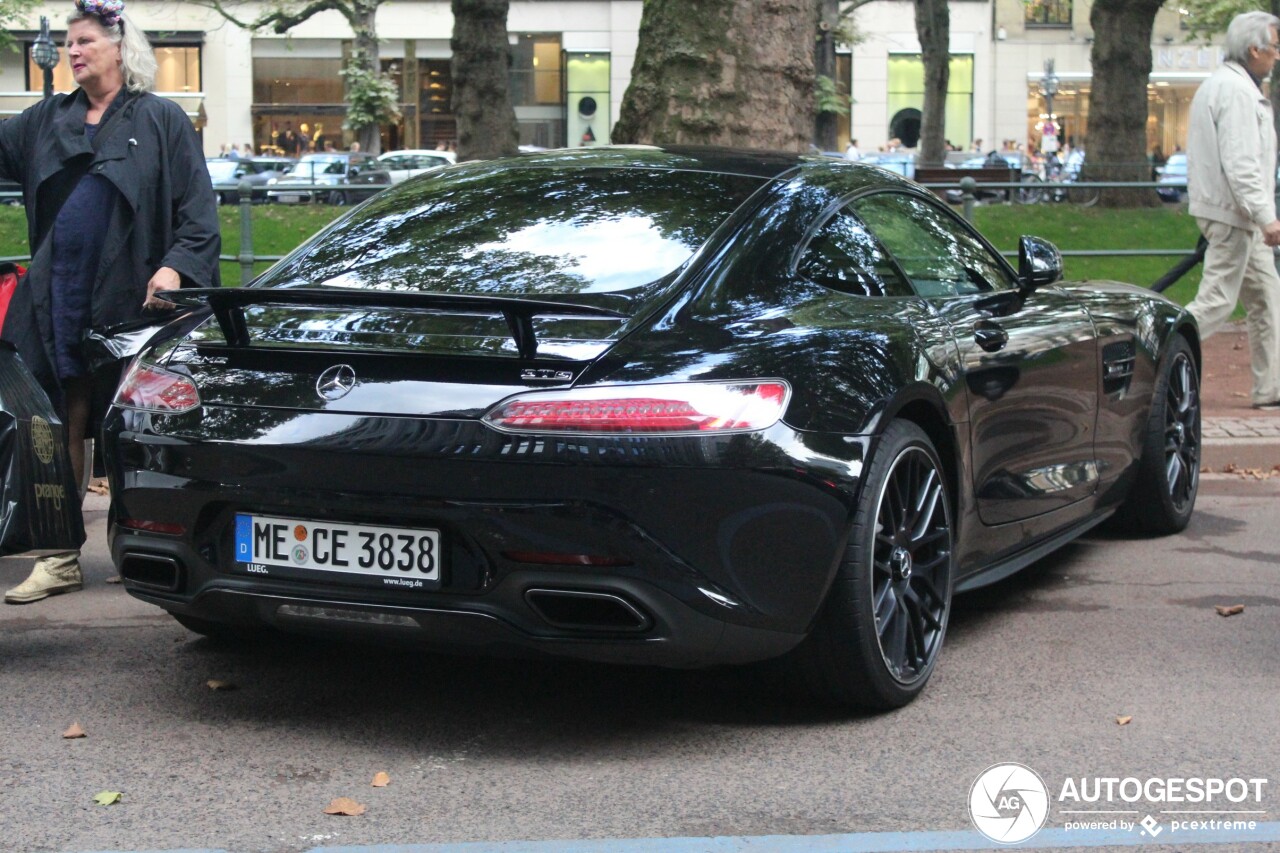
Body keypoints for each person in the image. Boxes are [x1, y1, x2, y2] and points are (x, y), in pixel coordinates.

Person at [0, 0, 221, 603]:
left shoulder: (161, 119)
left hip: (134, 293)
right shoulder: (46, 118)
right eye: (69, 43)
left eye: (85, 41)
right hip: (59, 292)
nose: (73, 51)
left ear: (120, 48)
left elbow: (199, 214)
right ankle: (57, 555)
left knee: (132, 424)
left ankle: (140, 549)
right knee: (60, 418)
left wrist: (177, 267)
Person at [1185, 10, 1280, 409]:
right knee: (1217, 301)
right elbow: (1242, 164)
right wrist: (1266, 217)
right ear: (1254, 49)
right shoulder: (1239, 94)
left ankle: (1271, 388)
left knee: (1266, 298)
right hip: (1235, 214)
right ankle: (1150, 352)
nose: (1277, 55)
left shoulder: (1220, 86)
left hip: (1229, 211)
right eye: (1274, 47)